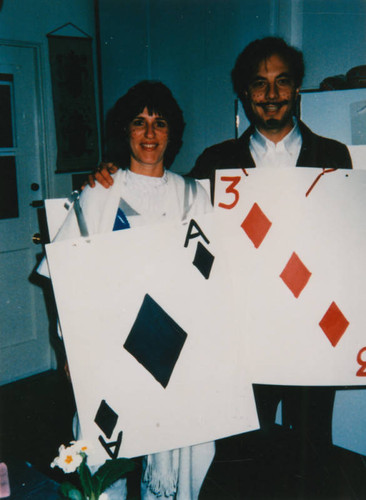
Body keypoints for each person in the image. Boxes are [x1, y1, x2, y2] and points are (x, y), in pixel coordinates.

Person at [88, 37, 353, 451]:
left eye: (281, 82)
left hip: (312, 331)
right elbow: (162, 198)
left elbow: (349, 246)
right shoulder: (215, 162)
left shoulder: (335, 156)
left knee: (312, 447)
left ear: (297, 87)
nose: (271, 95)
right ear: (245, 92)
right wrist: (109, 172)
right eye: (259, 84)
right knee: (242, 452)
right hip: (241, 336)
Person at [40, 80, 214, 499]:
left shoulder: (193, 196)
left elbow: (211, 278)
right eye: (139, 122)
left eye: (159, 123)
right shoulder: (99, 195)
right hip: (110, 348)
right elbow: (64, 279)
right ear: (125, 130)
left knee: (180, 450)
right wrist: (70, 352)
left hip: (174, 348)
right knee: (105, 458)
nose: (150, 134)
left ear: (173, 133)